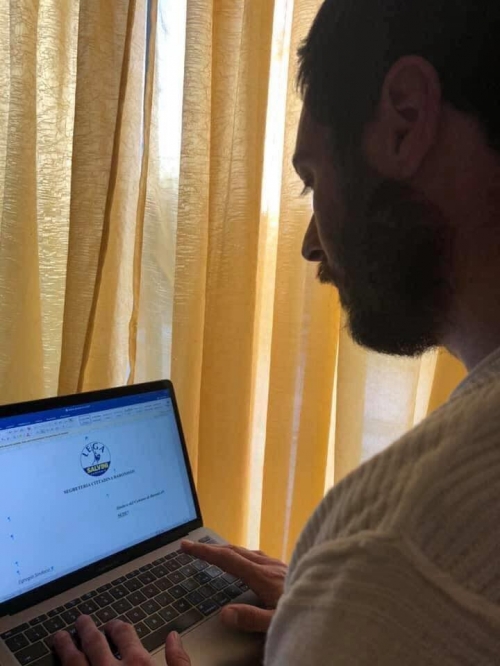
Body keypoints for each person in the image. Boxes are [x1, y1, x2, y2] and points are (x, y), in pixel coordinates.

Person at [54, 0, 500, 663]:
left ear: (405, 120)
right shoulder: (391, 582)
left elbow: (405, 588)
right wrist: (324, 621)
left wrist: (346, 608)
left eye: (312, 179)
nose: (311, 244)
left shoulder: (393, 554)